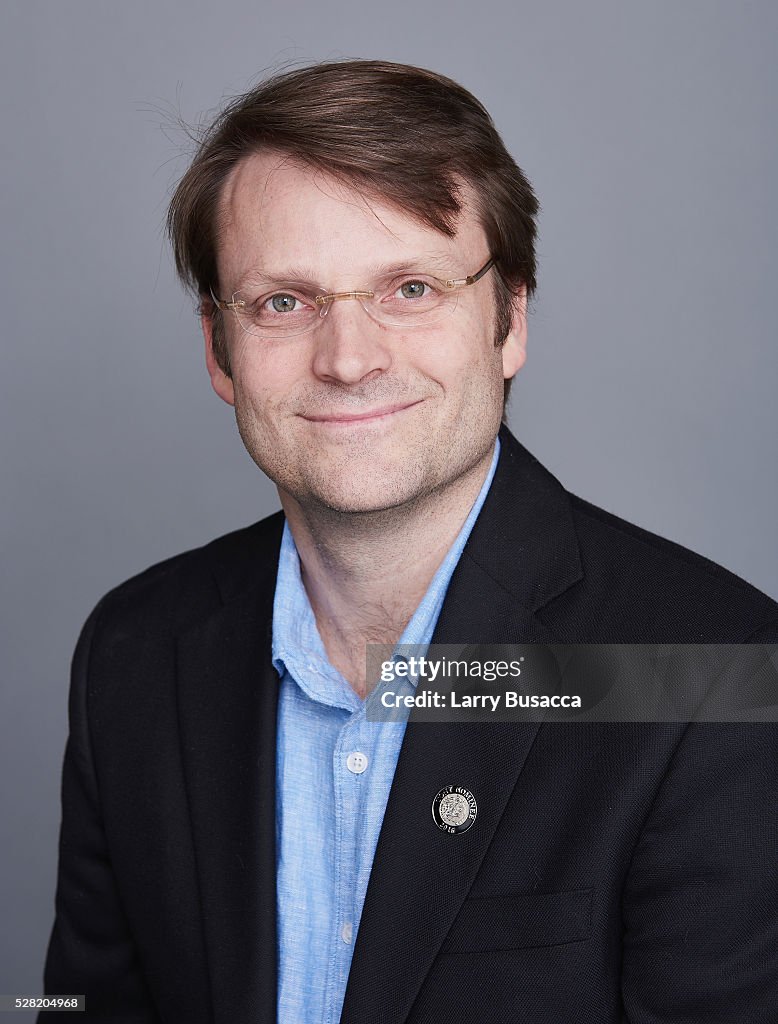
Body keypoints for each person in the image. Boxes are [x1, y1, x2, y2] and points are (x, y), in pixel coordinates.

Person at [41, 60, 778, 1023]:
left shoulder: (711, 672)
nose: (349, 359)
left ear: (510, 319)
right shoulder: (133, 654)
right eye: (282, 303)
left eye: (412, 288)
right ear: (220, 351)